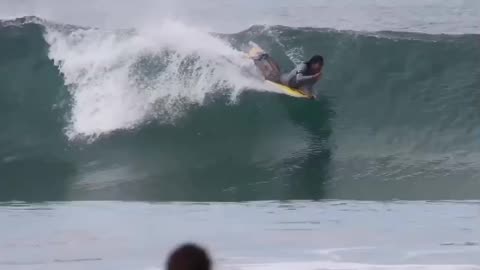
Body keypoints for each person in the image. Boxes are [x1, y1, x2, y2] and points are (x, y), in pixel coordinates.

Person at [253, 53, 324, 97]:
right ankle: (262, 58)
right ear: (313, 63)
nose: (321, 67)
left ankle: (267, 57)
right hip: (286, 80)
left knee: (278, 71)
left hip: (293, 83)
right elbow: (299, 78)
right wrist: (313, 77)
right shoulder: (303, 66)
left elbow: (309, 84)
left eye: (322, 65)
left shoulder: (315, 73)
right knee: (271, 75)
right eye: (319, 65)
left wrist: (310, 94)